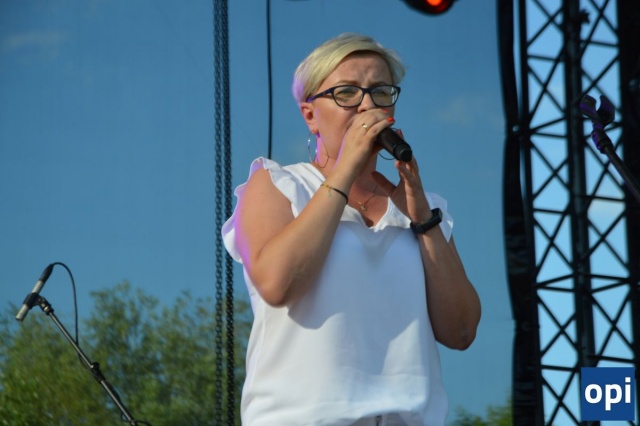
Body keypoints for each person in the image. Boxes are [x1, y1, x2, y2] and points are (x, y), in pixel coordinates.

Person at [222, 33, 481, 426]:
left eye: (380, 92)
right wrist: (345, 169)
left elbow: (461, 331)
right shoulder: (279, 184)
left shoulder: (425, 208)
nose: (366, 105)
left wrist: (423, 219)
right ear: (310, 115)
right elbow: (277, 283)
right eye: (346, 92)